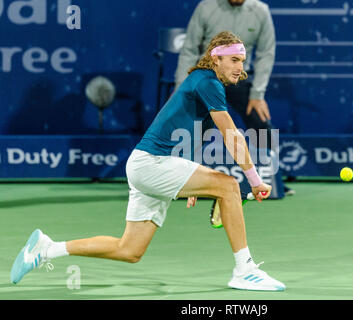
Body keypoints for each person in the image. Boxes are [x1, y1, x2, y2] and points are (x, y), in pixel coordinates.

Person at [10, 31, 286, 292]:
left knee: (129, 250)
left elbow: (184, 132)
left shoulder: (202, 82)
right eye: (235, 59)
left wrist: (195, 178)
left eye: (242, 61)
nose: (240, 67)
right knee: (228, 186)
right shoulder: (208, 82)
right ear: (216, 58)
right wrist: (255, 180)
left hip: (148, 165)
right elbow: (232, 136)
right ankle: (244, 270)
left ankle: (45, 250)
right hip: (153, 164)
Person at [175, 0, 295, 196]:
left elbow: (266, 54)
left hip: (237, 78)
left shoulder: (260, 11)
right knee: (185, 124)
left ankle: (270, 179)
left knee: (262, 124)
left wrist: (257, 94)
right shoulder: (206, 7)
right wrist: (182, 89)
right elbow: (189, 49)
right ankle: (176, 178)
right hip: (206, 76)